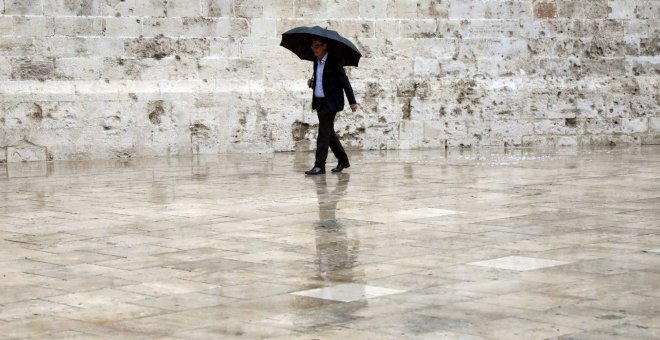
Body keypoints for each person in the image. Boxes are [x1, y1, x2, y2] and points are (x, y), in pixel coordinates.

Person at [304, 37, 358, 175]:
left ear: (324, 46)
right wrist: (312, 84)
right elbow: (321, 82)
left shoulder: (334, 61)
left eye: (316, 46)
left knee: (323, 133)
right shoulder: (316, 62)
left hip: (331, 103)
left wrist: (352, 101)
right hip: (319, 102)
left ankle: (319, 165)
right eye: (313, 46)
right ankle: (343, 160)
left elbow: (344, 82)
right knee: (329, 133)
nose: (314, 49)